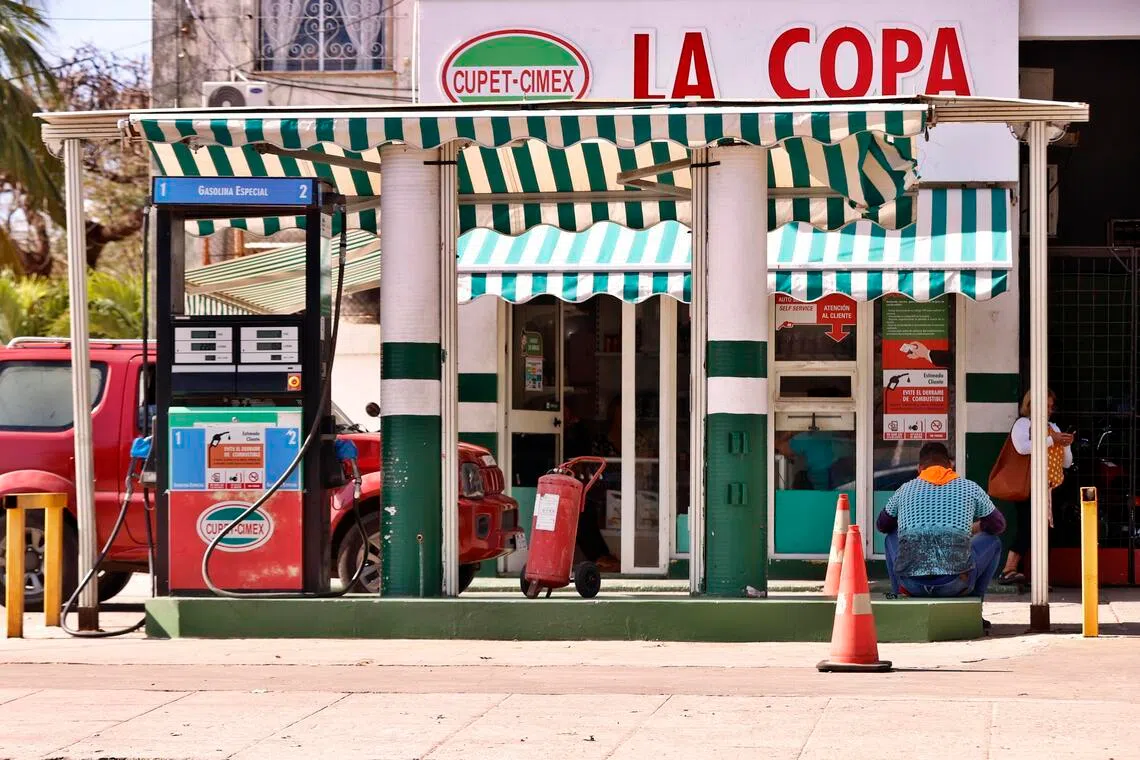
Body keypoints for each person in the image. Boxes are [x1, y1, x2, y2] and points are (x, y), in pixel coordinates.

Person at [877, 442, 1006, 627]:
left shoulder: (904, 490)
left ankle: (899, 599)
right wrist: (976, 527)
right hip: (956, 584)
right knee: (993, 541)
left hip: (911, 584)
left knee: (891, 535)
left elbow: (882, 525)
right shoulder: (969, 488)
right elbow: (998, 525)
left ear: (919, 468)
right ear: (950, 465)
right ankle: (974, 610)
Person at [998, 389, 1073, 585]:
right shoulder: (1023, 424)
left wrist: (1065, 444)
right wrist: (1052, 440)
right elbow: (1022, 447)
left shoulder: (1054, 427)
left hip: (1049, 487)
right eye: (1045, 406)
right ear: (1031, 405)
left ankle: (1040, 577)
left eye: (1050, 406)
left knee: (1046, 533)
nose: (1049, 410)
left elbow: (1066, 463)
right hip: (1028, 485)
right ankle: (1008, 569)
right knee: (1027, 527)